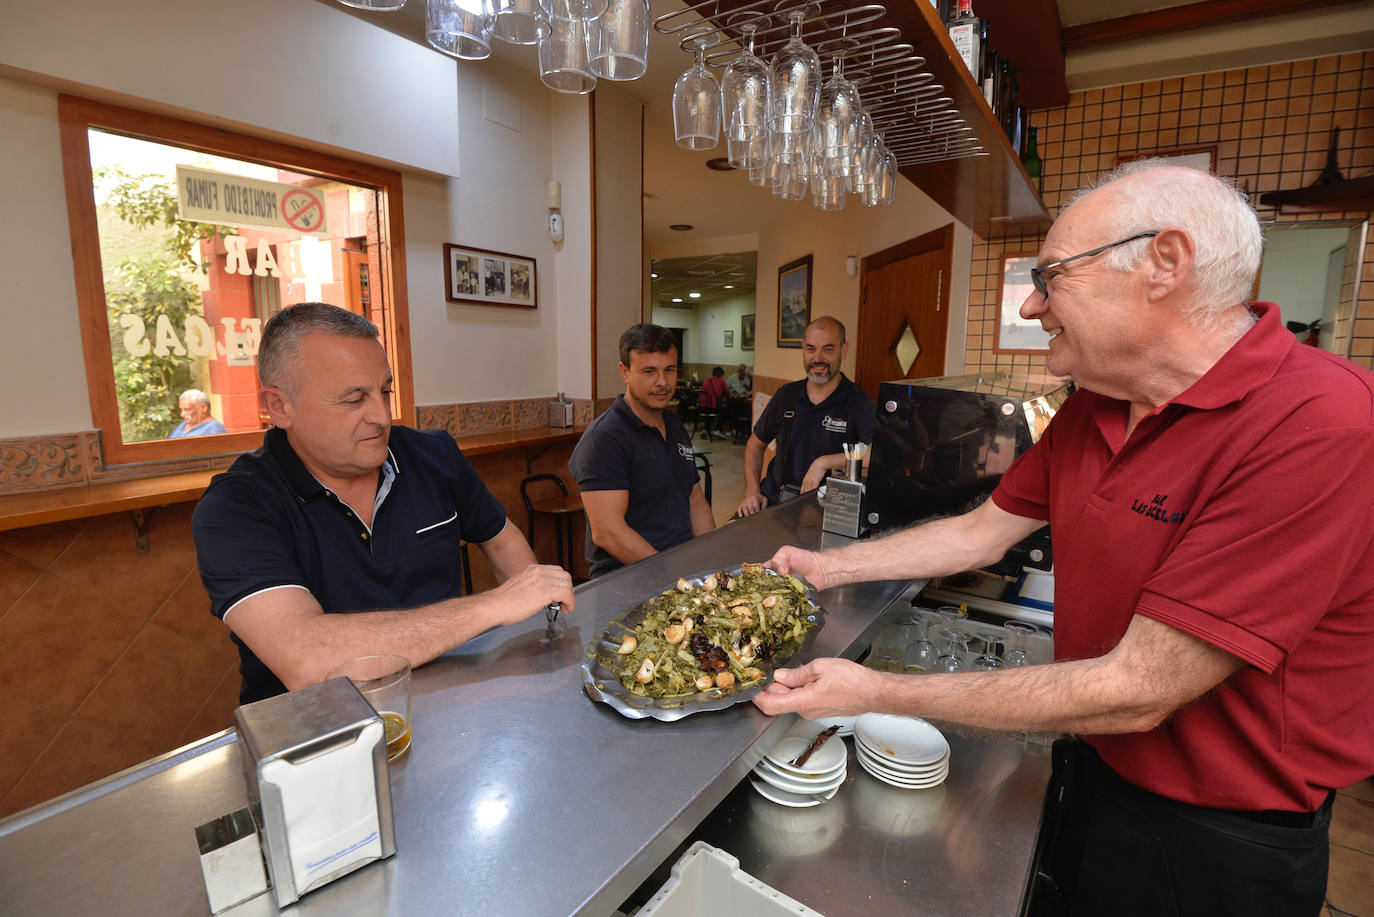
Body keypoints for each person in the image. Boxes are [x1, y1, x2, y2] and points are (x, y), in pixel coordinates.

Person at [753, 161, 1374, 915]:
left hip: (1218, 838)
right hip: (1088, 763)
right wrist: (824, 567)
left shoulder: (1319, 421)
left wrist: (877, 691)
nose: (1032, 304)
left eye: (1050, 277)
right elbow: (980, 534)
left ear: (1165, 263)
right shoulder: (1095, 406)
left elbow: (1139, 689)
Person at [193, 303, 574, 704]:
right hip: (317, 726)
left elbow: (500, 537)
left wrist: (539, 632)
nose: (382, 416)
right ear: (279, 407)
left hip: (448, 702)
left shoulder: (434, 456)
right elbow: (309, 660)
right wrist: (495, 606)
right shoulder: (236, 506)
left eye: (385, 391)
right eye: (354, 399)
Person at [569, 323, 714, 578]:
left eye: (669, 370)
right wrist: (674, 579)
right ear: (624, 372)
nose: (662, 382)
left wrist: (711, 563)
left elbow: (695, 499)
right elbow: (608, 533)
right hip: (626, 579)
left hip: (681, 570)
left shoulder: (674, 426)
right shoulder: (605, 438)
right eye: (649, 371)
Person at [734, 317, 876, 516]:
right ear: (803, 349)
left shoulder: (859, 402)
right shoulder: (786, 396)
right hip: (775, 502)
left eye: (828, 349)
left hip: (827, 511)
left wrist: (824, 462)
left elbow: (876, 454)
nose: (817, 358)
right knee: (727, 533)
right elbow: (755, 445)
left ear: (843, 350)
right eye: (811, 349)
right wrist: (752, 492)